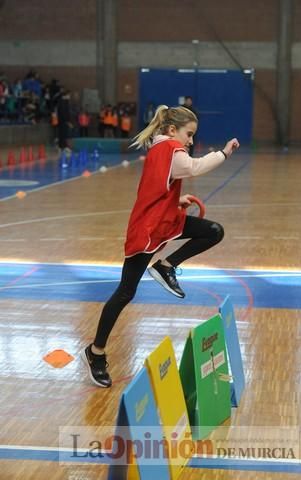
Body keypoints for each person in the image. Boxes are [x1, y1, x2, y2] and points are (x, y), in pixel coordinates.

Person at [81, 105, 240, 387]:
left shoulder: (161, 149)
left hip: (164, 221)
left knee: (213, 232)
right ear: (171, 130)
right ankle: (96, 352)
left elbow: (154, 187)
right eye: (188, 134)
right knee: (124, 293)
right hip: (147, 230)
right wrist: (224, 153)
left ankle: (167, 266)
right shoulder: (172, 152)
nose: (190, 141)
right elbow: (195, 167)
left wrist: (174, 200)